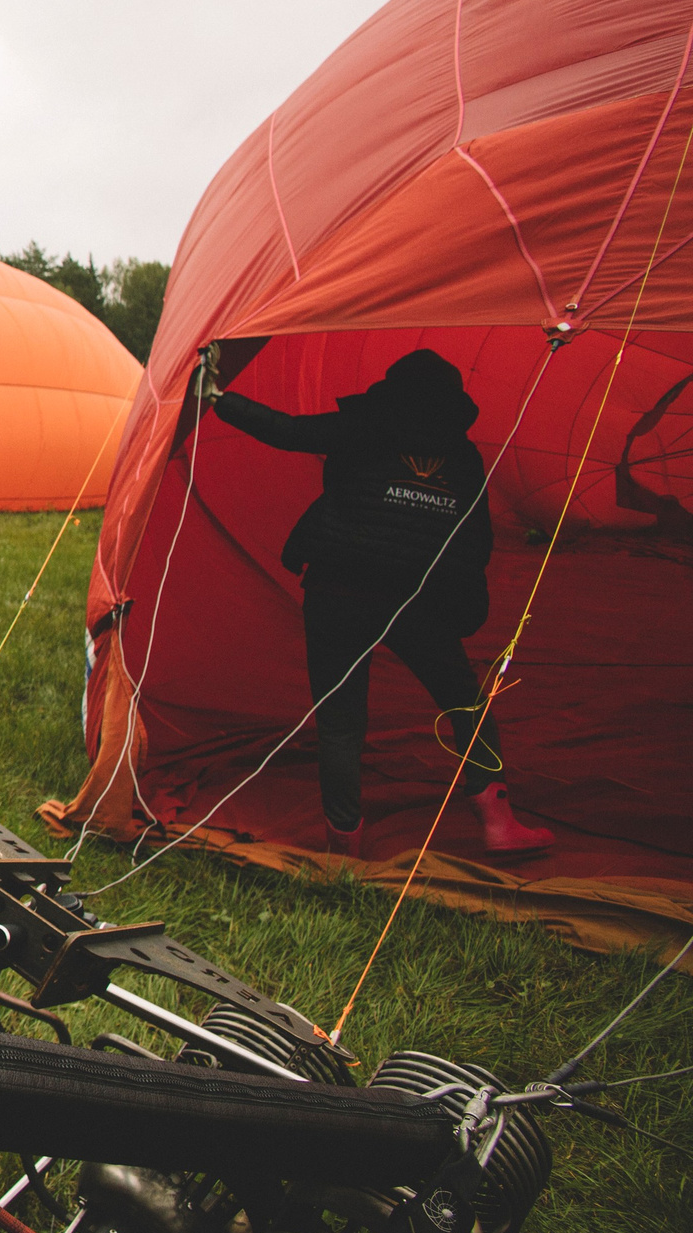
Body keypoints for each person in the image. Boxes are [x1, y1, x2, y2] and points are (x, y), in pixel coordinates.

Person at [207, 348, 555, 858]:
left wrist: (218, 399)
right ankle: (497, 821)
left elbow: (287, 431)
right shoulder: (462, 455)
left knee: (341, 720)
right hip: (420, 600)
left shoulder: (361, 424)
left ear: (390, 389)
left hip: (338, 588)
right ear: (453, 401)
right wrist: (463, 607)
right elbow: (475, 541)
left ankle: (343, 841)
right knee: (467, 704)